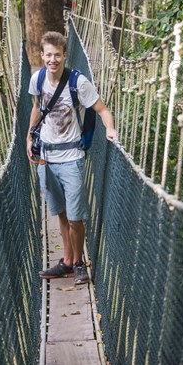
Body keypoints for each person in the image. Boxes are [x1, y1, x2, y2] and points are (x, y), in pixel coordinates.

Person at [27, 31, 117, 285]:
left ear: (65, 55)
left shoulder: (78, 82)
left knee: (76, 218)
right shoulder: (38, 79)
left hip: (72, 158)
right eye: (48, 55)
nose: (52, 60)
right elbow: (37, 108)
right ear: (42, 55)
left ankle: (79, 262)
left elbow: (102, 109)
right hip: (45, 157)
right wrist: (28, 137)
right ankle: (67, 261)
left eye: (57, 55)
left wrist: (109, 128)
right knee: (61, 214)